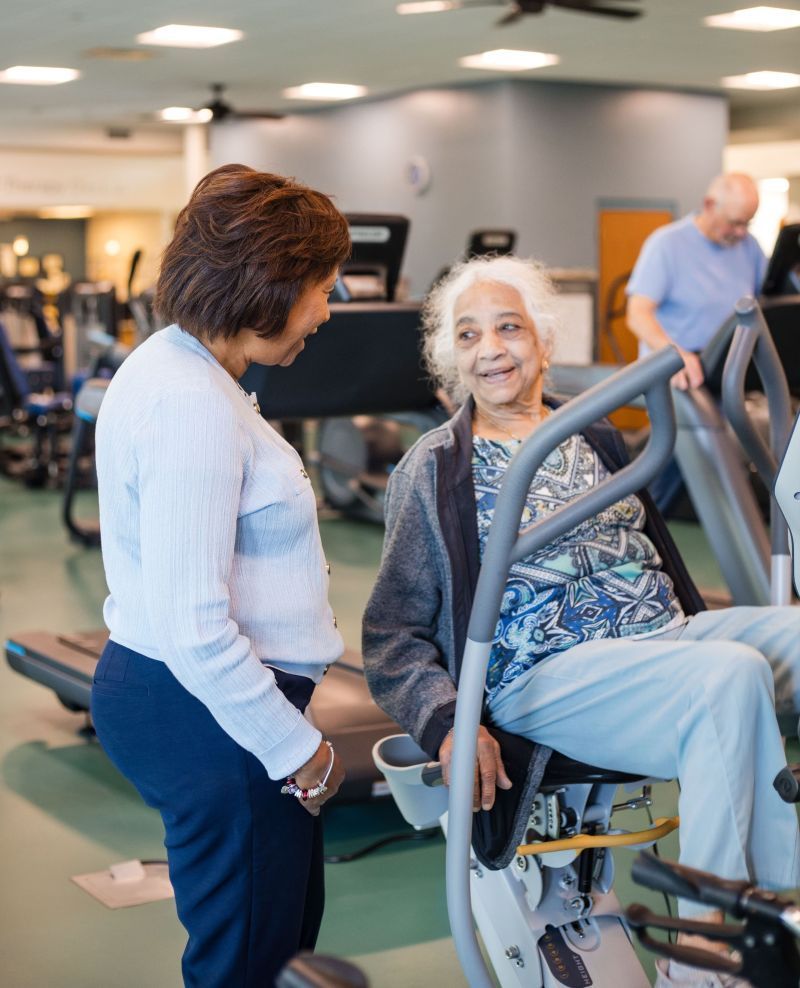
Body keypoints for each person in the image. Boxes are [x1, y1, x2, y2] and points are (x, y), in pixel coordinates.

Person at [362, 254, 800, 988]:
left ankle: (771, 904)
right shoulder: (434, 468)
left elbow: (652, 561)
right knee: (729, 677)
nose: (492, 349)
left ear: (542, 339)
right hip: (542, 674)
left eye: (508, 327)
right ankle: (710, 960)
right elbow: (390, 636)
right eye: (468, 337)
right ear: (451, 360)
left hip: (663, 639)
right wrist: (446, 722)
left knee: (770, 647)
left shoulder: (592, 433)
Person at [91, 164, 350, 988]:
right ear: (268, 286)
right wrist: (294, 748)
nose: (328, 309)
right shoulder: (189, 402)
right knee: (248, 962)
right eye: (321, 287)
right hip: (212, 712)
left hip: (205, 704)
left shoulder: (187, 371)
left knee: (280, 947)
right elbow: (193, 624)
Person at [626, 174, 766, 512]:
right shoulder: (667, 244)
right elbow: (638, 314)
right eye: (735, 222)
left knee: (716, 464)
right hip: (677, 373)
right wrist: (675, 354)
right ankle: (637, 530)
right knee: (670, 466)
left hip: (722, 373)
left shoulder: (748, 248)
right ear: (709, 206)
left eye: (747, 223)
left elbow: (765, 304)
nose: (741, 232)